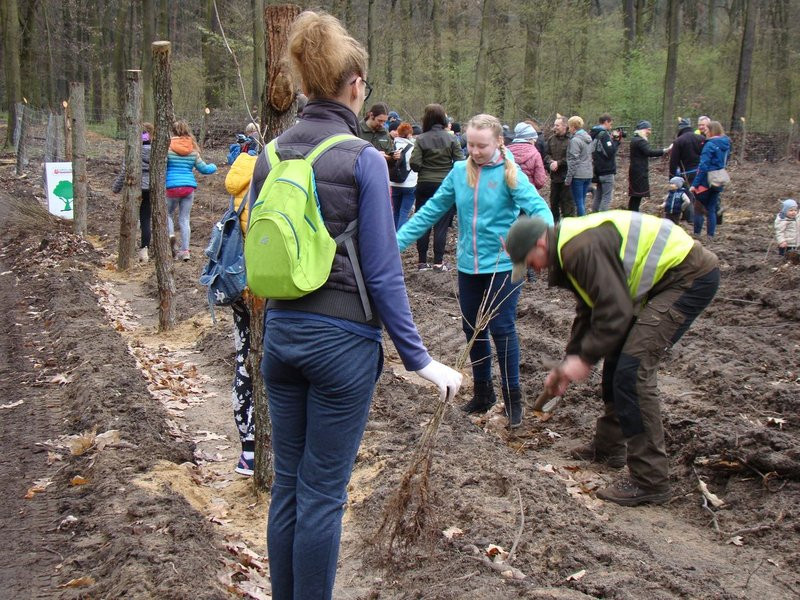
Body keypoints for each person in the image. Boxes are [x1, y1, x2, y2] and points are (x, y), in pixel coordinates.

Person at [246, 12, 462, 599]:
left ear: (304, 84)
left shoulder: (270, 156)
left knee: (288, 487)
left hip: (281, 339)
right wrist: (420, 360)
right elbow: (384, 270)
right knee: (322, 496)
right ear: (355, 85)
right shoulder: (364, 158)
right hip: (342, 347)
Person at [506, 211, 719, 506]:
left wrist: (583, 359)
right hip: (663, 282)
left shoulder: (578, 249)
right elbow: (590, 310)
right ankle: (608, 449)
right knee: (618, 362)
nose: (534, 270)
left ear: (540, 242)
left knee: (632, 371)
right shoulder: (566, 250)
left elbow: (615, 311)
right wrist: (570, 361)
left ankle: (651, 481)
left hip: (687, 276)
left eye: (530, 261)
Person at [397, 113, 553, 428]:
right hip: (469, 264)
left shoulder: (512, 175)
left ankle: (513, 400)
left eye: (481, 146)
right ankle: (483, 394)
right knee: (472, 328)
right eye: (469, 144)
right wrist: (394, 245)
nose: (475, 151)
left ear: (498, 142)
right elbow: (430, 211)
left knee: (502, 328)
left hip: (505, 264)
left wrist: (542, 241)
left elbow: (540, 210)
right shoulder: (458, 173)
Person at [224, 148, 260, 476]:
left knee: (243, 361)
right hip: (270, 290)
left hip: (239, 285)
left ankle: (247, 448)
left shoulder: (242, 176)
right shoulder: (276, 175)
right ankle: (264, 446)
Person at [408, 103, 465, 271]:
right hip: (445, 186)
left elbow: (415, 164)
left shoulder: (421, 139)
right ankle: (438, 262)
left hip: (424, 185)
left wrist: (426, 166)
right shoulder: (452, 138)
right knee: (441, 224)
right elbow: (460, 162)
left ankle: (422, 262)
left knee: (424, 222)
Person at [165, 120, 217, 261]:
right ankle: (185, 251)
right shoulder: (192, 150)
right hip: (188, 188)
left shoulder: (167, 148)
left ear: (173, 132)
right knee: (184, 218)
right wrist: (214, 166)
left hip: (171, 187)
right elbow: (204, 169)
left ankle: (170, 235)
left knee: (167, 214)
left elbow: (161, 168)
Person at [112, 122, 153, 262]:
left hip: (135, 187)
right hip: (151, 189)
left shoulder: (133, 150)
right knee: (146, 219)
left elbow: (125, 171)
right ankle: (144, 251)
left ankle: (127, 251)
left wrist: (116, 188)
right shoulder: (156, 151)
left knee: (130, 219)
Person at [690, 120, 730, 239]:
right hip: (719, 179)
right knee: (711, 209)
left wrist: (695, 184)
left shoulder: (709, 145)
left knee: (698, 208)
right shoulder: (726, 144)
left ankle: (697, 234)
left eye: (707, 130)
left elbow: (703, 166)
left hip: (705, 181)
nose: (705, 132)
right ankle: (710, 235)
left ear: (712, 131)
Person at [628, 120, 670, 212]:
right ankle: (633, 214)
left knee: (635, 196)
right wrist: (665, 150)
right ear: (643, 130)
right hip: (639, 172)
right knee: (637, 196)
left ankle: (632, 213)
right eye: (648, 130)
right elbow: (649, 152)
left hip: (636, 171)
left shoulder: (635, 139)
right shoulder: (640, 141)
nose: (649, 132)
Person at [544, 116, 575, 222]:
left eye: (557, 125)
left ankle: (568, 228)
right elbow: (546, 155)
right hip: (554, 178)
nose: (555, 127)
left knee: (567, 205)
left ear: (564, 126)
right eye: (555, 125)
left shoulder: (572, 140)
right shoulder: (551, 139)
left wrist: (559, 163)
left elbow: (573, 157)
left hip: (567, 179)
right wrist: (550, 163)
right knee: (553, 204)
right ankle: (555, 228)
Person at [589, 114, 621, 213]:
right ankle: (602, 220)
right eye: (610, 123)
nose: (611, 126)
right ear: (606, 122)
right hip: (606, 171)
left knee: (598, 195)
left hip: (597, 170)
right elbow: (610, 152)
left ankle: (594, 216)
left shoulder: (593, 134)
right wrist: (615, 141)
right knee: (606, 197)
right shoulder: (604, 135)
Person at [390, 122, 417, 230]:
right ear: (409, 134)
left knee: (395, 211)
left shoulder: (392, 146)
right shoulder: (412, 148)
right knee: (404, 212)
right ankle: (400, 239)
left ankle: (393, 236)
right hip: (409, 184)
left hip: (394, 183)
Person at [565, 116, 592, 216]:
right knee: (583, 201)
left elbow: (573, 160)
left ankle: (583, 224)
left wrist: (568, 178)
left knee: (579, 202)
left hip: (578, 175)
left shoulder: (575, 141)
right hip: (588, 173)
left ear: (573, 127)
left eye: (569, 126)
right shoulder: (588, 138)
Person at [508, 122, 547, 191]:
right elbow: (540, 182)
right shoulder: (535, 154)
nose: (534, 143)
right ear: (529, 139)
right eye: (534, 140)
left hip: (508, 192)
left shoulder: (506, 151)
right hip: (528, 192)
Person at [669, 118, 704, 182]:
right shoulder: (701, 138)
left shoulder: (678, 141)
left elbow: (673, 161)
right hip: (702, 172)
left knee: (689, 191)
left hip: (687, 174)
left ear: (680, 128)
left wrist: (671, 178)